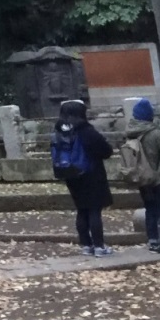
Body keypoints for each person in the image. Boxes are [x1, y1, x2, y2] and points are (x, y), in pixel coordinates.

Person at [54, 99, 114, 256]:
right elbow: (106, 151)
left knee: (81, 210)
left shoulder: (60, 133)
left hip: (71, 175)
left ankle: (86, 245)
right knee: (94, 210)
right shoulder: (87, 131)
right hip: (91, 174)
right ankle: (99, 246)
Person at [126, 97, 160, 252]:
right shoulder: (156, 133)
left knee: (150, 209)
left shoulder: (130, 134)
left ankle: (153, 240)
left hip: (142, 177)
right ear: (150, 115)